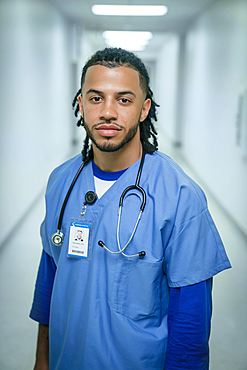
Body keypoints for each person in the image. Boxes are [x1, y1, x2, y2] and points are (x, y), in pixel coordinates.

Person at [30, 47, 231, 370]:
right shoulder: (61, 182)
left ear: (143, 109)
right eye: (96, 98)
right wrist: (42, 361)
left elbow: (190, 324)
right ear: (80, 104)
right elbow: (49, 283)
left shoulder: (179, 197)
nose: (108, 112)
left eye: (123, 99)